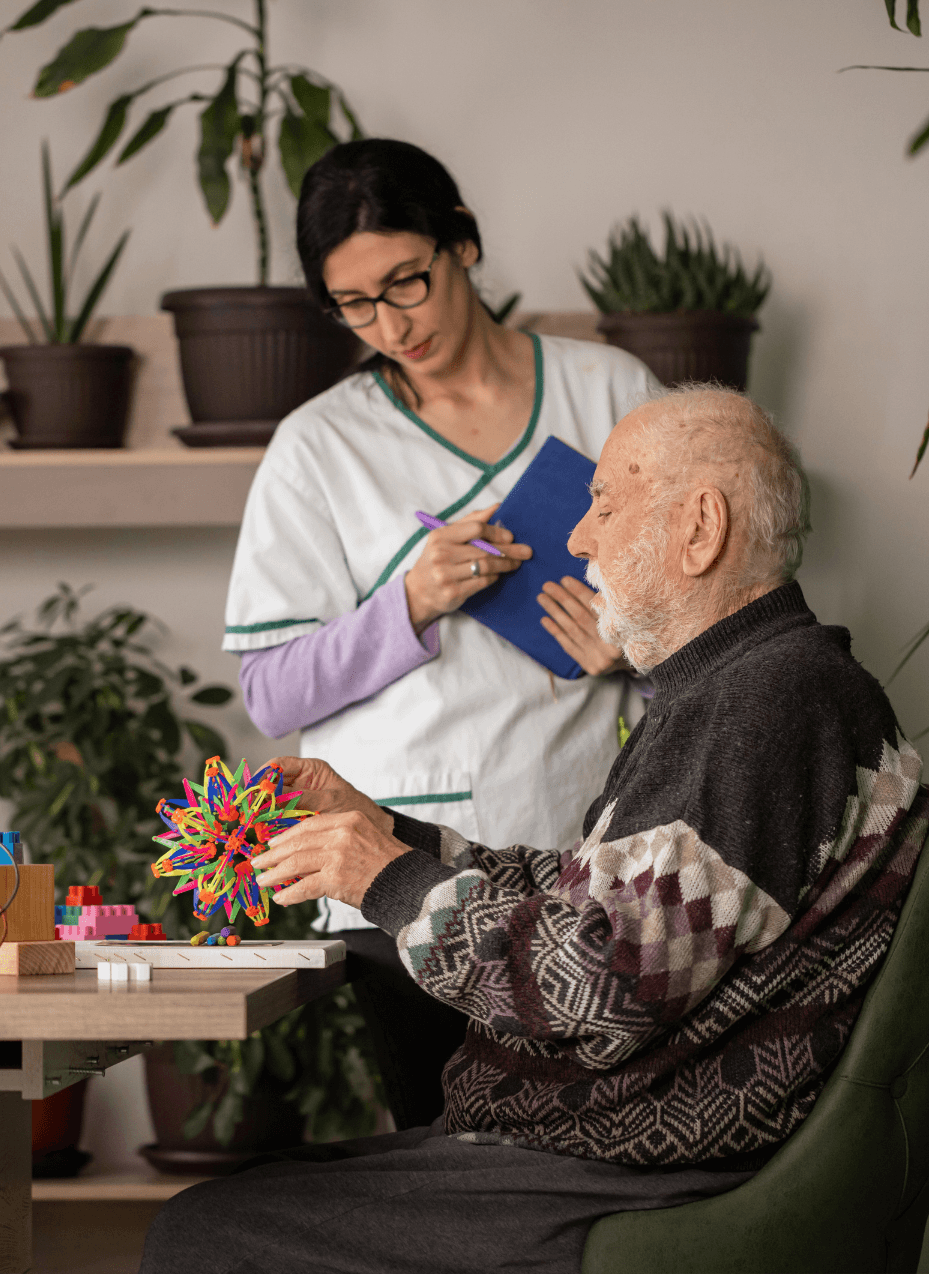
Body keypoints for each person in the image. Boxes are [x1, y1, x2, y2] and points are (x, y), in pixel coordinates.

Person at [142, 387, 929, 1274]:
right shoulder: (753, 686)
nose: (578, 538)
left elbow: (600, 986)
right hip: (618, 1143)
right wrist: (385, 833)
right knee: (247, 1200)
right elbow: (596, 904)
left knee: (202, 1232)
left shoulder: (763, 704)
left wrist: (383, 880)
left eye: (605, 504)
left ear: (700, 528)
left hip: (645, 1166)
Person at [223, 138, 658, 1127]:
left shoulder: (613, 394)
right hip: (393, 881)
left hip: (579, 869)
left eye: (406, 282)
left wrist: (628, 646)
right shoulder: (318, 446)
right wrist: (407, 603)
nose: (390, 323)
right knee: (445, 1155)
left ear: (462, 243)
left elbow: (720, 623)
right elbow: (271, 691)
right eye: (356, 305)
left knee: (578, 1156)